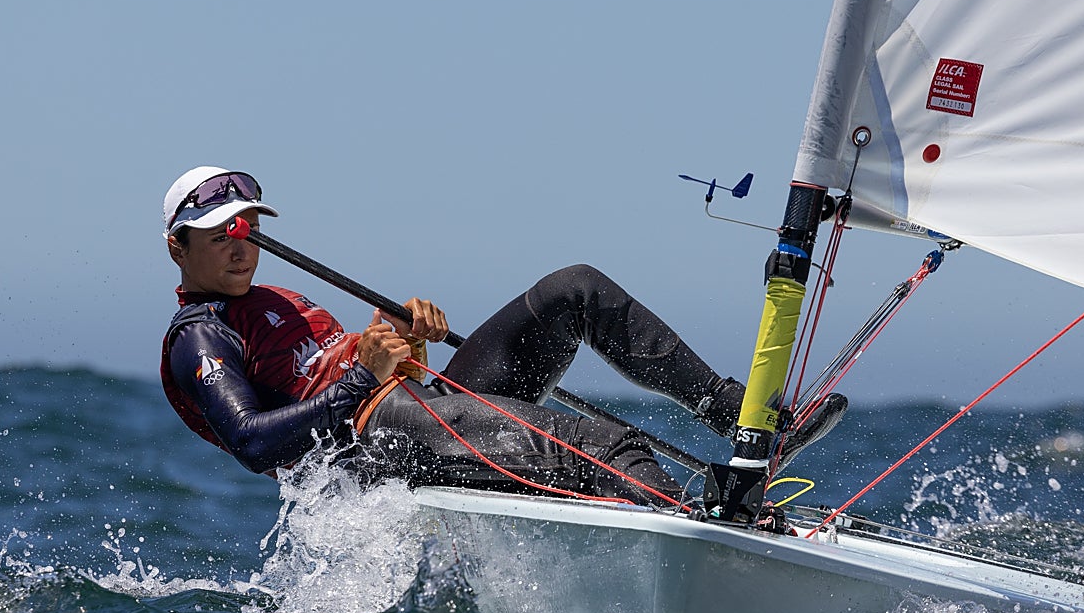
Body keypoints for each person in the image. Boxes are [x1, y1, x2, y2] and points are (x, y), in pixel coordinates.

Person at [160, 166, 846, 511]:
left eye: (243, 226)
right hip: (378, 445)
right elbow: (252, 442)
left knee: (575, 288)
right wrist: (363, 377)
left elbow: (351, 367)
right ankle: (703, 528)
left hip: (411, 409)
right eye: (218, 233)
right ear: (178, 249)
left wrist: (400, 336)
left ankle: (741, 416)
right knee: (604, 448)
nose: (237, 243)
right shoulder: (201, 336)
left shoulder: (275, 300)